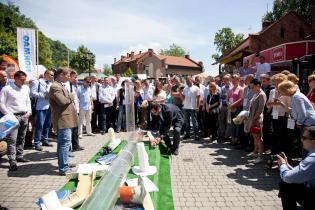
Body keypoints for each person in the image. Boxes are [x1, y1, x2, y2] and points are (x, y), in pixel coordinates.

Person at [49, 68, 79, 175]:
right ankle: (63, 168)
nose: (68, 77)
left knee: (64, 143)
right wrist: (71, 96)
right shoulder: (55, 86)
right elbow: (62, 101)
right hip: (63, 119)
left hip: (66, 118)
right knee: (64, 143)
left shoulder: (60, 85)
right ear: (61, 75)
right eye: (67, 75)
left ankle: (64, 163)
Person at [277, 126, 315, 210]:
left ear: (314, 142)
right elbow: (302, 173)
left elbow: (288, 177)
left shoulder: (313, 158)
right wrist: (287, 165)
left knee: (286, 184)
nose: (301, 140)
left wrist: (283, 165)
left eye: (304, 138)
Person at [0, 71, 32, 171]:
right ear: (15, 78)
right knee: (12, 139)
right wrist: (9, 115)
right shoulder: (7, 89)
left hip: (24, 115)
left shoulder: (26, 88)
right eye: (22, 79)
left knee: (22, 137)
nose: (24, 81)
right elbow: (1, 104)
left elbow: (28, 101)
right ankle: (12, 160)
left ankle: (19, 155)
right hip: (12, 117)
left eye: (24, 79)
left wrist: (29, 112)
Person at [266, 74, 293, 167]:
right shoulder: (272, 91)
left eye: (278, 83)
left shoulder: (287, 92)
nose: (276, 86)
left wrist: (281, 103)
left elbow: (290, 109)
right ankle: (273, 159)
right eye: (275, 84)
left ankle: (284, 161)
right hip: (275, 116)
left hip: (284, 117)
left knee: (283, 140)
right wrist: (271, 103)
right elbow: (268, 105)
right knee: (274, 138)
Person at [31, 69, 54, 151]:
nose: (52, 76)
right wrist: (43, 96)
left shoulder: (51, 84)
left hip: (49, 106)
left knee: (47, 125)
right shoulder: (37, 82)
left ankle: (45, 140)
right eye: (51, 75)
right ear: (46, 74)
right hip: (40, 107)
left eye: (53, 75)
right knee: (39, 125)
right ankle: (37, 143)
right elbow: (32, 93)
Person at [246, 79, 267, 164]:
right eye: (251, 87)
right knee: (255, 136)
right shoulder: (256, 94)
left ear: (258, 85)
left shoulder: (262, 95)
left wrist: (253, 120)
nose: (252, 89)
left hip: (257, 119)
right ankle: (255, 152)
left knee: (259, 137)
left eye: (253, 87)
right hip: (253, 118)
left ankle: (260, 156)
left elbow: (260, 110)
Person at [65, 71, 84, 151]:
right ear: (70, 77)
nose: (76, 79)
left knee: (75, 128)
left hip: (75, 109)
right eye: (75, 77)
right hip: (69, 110)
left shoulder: (74, 86)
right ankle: (69, 147)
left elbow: (76, 98)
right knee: (70, 129)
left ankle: (75, 145)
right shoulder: (66, 85)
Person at [228, 74, 244, 145]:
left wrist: (232, 105)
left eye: (235, 79)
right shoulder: (230, 89)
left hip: (238, 108)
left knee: (237, 124)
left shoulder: (241, 89)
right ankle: (233, 139)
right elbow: (228, 98)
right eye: (232, 79)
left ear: (238, 80)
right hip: (231, 108)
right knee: (232, 124)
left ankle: (237, 140)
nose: (233, 81)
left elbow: (241, 99)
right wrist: (229, 104)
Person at [218, 74, 231, 140]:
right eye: (223, 79)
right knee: (221, 120)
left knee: (228, 121)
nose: (224, 81)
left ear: (229, 80)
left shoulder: (232, 87)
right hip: (223, 106)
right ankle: (222, 133)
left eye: (225, 79)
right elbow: (220, 97)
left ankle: (227, 135)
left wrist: (225, 97)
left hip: (229, 106)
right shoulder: (222, 87)